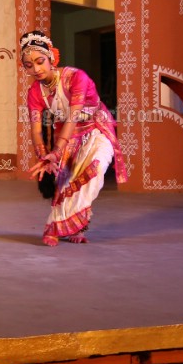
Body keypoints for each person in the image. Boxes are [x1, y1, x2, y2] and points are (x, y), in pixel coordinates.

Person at [21, 30, 125, 246]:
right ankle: (59, 227)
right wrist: (44, 156)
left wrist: (57, 151)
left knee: (93, 173)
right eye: (29, 65)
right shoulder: (34, 92)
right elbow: (36, 129)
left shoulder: (76, 78)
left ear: (52, 57)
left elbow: (72, 117)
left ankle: (75, 225)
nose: (36, 69)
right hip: (69, 135)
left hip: (96, 128)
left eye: (40, 61)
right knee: (65, 181)